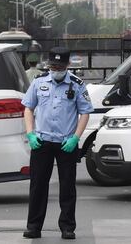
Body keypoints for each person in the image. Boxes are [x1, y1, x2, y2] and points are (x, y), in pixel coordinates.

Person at [22, 47, 93, 240]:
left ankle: (67, 227)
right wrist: (30, 134)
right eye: (53, 66)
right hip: (41, 141)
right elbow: (28, 108)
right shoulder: (39, 82)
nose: (56, 69)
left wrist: (76, 138)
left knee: (67, 186)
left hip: (66, 143)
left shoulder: (77, 85)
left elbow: (85, 112)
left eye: (60, 66)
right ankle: (34, 226)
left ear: (67, 65)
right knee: (37, 185)